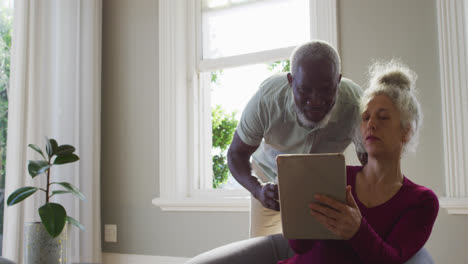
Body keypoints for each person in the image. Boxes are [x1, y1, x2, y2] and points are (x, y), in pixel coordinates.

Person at [278, 60, 439, 264]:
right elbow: (300, 247)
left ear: (406, 131)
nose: (371, 124)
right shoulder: (335, 176)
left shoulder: (421, 201)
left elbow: (392, 260)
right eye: (366, 117)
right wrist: (296, 208)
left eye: (383, 118)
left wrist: (357, 230)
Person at [227, 40, 365, 237]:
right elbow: (235, 154)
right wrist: (258, 190)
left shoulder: (355, 105)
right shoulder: (267, 100)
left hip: (325, 186)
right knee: (263, 252)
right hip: (269, 181)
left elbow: (370, 162)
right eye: (305, 90)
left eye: (326, 89)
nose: (315, 100)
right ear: (291, 81)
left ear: (338, 81)